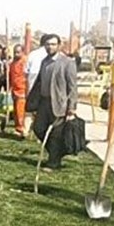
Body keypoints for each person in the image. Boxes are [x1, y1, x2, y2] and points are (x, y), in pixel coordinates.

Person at [26, 33, 78, 171]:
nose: (50, 47)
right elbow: (39, 82)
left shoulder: (67, 63)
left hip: (60, 104)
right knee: (38, 129)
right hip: (44, 102)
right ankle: (57, 152)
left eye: (53, 44)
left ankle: (53, 162)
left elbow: (72, 87)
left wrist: (71, 108)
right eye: (48, 44)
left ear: (59, 45)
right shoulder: (44, 61)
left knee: (56, 134)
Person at [7, 44, 28, 138]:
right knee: (16, 110)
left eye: (18, 52)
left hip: (22, 89)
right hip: (14, 89)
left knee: (20, 110)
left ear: (22, 52)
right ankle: (17, 127)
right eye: (15, 52)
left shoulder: (25, 62)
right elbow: (10, 76)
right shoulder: (12, 63)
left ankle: (21, 128)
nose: (16, 54)